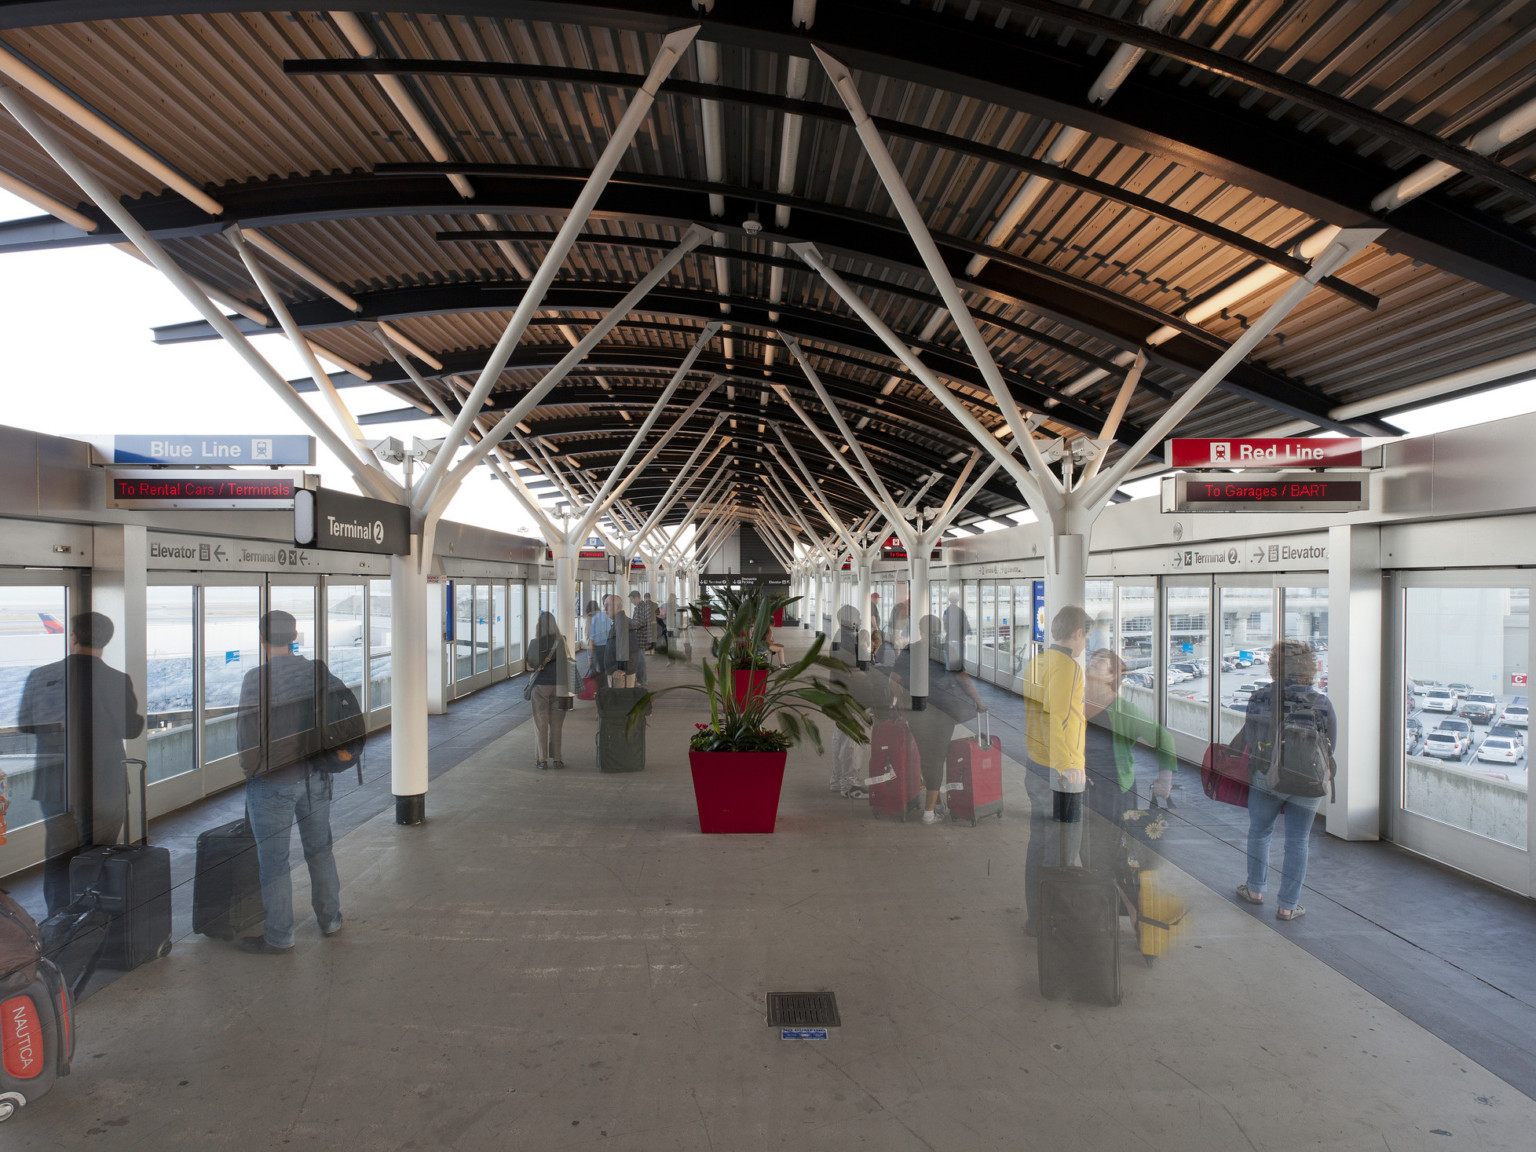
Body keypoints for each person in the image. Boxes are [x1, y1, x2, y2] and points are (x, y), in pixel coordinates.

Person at [235, 610, 350, 954]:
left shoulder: (256, 679)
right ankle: (330, 920)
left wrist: (253, 773)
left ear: (261, 639)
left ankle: (280, 935)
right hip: (316, 778)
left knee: (274, 862)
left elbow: (247, 738)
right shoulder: (315, 671)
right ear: (295, 635)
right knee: (320, 850)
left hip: (273, 783)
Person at [18, 612, 145, 914]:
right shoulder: (117, 680)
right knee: (99, 855)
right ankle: (93, 927)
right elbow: (132, 729)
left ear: (72, 637)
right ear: (106, 641)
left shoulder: (40, 676)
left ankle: (58, 927)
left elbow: (26, 723)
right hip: (105, 785)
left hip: (56, 785)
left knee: (59, 858)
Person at [1235, 639, 1336, 922]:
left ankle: (1255, 890)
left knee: (1260, 832)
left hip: (1268, 777)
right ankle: (1288, 906)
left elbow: (1251, 739)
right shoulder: (1322, 702)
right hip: (1308, 782)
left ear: (1274, 665)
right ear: (1309, 668)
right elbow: (1331, 745)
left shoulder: (1260, 697)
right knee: (1297, 842)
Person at [1021, 605, 1091, 935]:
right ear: (1077, 633)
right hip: (1057, 771)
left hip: (1035, 761)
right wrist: (1068, 765)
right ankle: (1051, 921)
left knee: (1040, 844)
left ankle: (1037, 917)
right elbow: (1055, 718)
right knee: (1061, 848)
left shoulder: (1038, 660)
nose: (1085, 642)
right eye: (1086, 635)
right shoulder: (1068, 667)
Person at [1083, 648, 1177, 873]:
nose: (1093, 662)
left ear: (1113, 676)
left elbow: (1164, 739)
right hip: (1084, 788)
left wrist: (1165, 778)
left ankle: (1116, 901)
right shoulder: (1077, 701)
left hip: (1115, 792)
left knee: (1114, 854)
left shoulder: (1123, 710)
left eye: (1101, 661)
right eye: (1092, 658)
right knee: (1087, 851)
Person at [910, 612, 987, 824]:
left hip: (917, 712)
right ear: (940, 630)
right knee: (937, 757)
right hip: (943, 713)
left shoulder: (911, 649)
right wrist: (978, 702)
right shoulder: (946, 649)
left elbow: (894, 681)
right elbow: (963, 679)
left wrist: (897, 704)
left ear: (921, 630)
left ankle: (934, 801)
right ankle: (929, 811)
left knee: (925, 755)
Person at [529, 611, 570, 770]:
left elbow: (531, 664)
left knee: (541, 723)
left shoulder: (535, 643)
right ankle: (558, 759)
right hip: (560, 686)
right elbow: (566, 661)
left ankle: (542, 759)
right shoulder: (563, 641)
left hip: (540, 686)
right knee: (557, 724)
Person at [628, 591, 651, 686]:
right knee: (640, 658)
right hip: (643, 636)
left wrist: (629, 623)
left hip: (641, 637)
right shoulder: (643, 606)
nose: (631, 602)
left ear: (636, 597)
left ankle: (642, 680)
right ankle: (640, 679)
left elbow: (640, 622)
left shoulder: (641, 607)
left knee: (640, 660)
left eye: (631, 599)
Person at [943, 589, 970, 671]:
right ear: (958, 600)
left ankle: (950, 670)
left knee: (949, 660)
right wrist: (964, 635)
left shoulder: (946, 611)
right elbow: (966, 625)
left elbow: (944, 623)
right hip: (959, 640)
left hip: (949, 639)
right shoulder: (961, 611)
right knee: (960, 660)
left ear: (949, 599)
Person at [589, 595, 613, 684]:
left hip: (599, 648)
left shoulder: (596, 617)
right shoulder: (614, 617)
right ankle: (611, 686)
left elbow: (592, 639)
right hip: (611, 647)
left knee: (602, 669)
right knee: (612, 668)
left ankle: (604, 688)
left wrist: (591, 657)